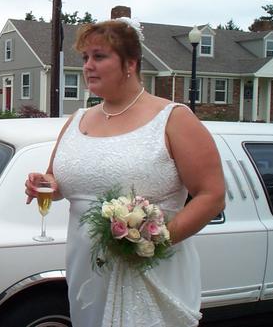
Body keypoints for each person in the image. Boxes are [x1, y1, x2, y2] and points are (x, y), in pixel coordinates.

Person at [25, 18, 226, 327]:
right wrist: (45, 184)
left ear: (130, 63)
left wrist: (155, 241)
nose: (88, 66)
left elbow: (212, 195)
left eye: (99, 56)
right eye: (85, 57)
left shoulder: (173, 119)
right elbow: (57, 180)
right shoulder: (78, 119)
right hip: (86, 269)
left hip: (149, 270)